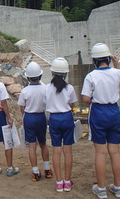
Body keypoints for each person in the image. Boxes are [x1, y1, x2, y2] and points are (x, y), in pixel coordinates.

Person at [81, 43, 120, 199]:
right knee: (115, 151)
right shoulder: (117, 73)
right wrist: (116, 62)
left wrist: (95, 97)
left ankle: (101, 189)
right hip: (113, 111)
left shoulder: (91, 76)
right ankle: (118, 188)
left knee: (100, 152)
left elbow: (86, 98)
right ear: (108, 58)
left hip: (98, 112)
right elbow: (118, 78)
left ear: (94, 60)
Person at [46, 58, 77, 192]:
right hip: (66, 117)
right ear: (65, 73)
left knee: (56, 151)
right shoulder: (69, 88)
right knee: (68, 151)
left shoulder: (47, 88)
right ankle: (67, 181)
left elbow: (45, 103)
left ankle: (59, 182)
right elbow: (71, 105)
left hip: (54, 119)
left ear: (52, 72)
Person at [18, 62, 52, 182]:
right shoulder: (45, 89)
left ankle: (35, 172)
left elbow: (21, 107)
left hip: (29, 117)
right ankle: (47, 169)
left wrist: (25, 115)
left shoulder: (25, 91)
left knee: (32, 145)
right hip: (41, 117)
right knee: (43, 143)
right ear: (40, 76)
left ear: (27, 77)